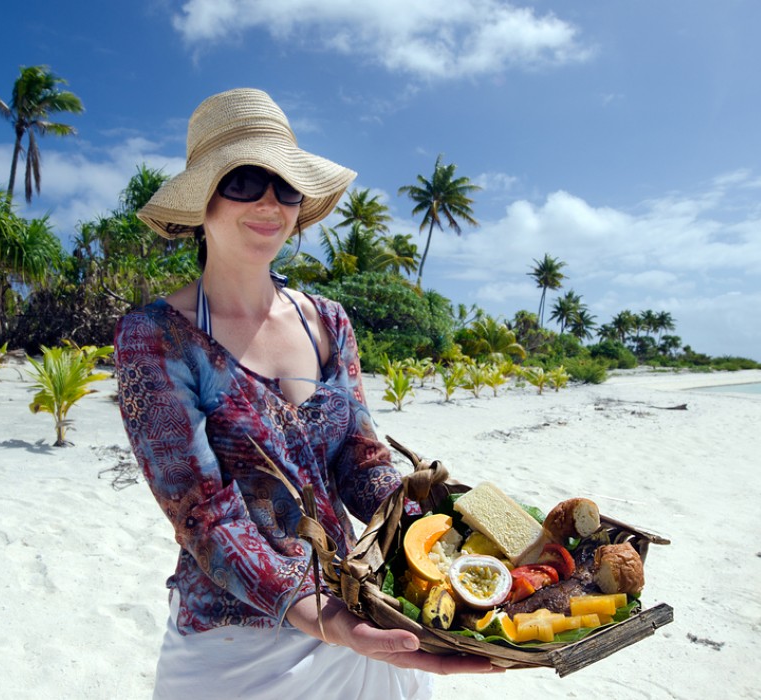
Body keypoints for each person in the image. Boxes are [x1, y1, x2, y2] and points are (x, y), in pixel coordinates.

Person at [114, 88, 499, 699]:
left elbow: (361, 458)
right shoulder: (157, 337)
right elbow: (205, 517)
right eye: (244, 180)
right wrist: (321, 615)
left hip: (363, 607)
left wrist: (433, 530)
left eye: (286, 184)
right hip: (236, 640)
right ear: (203, 199)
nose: (269, 201)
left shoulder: (329, 320)